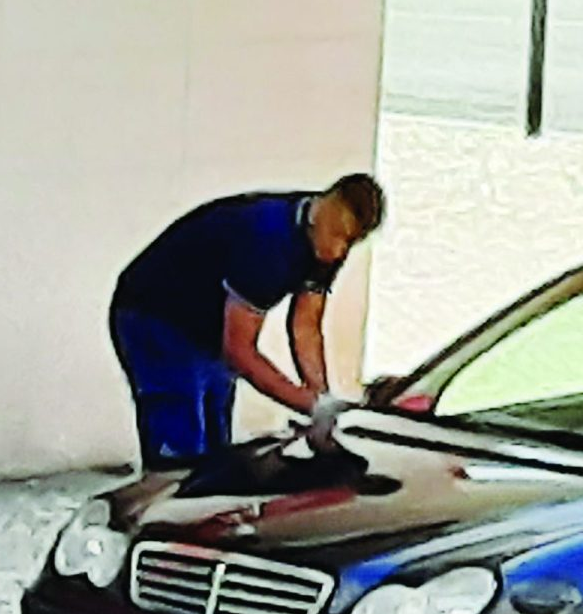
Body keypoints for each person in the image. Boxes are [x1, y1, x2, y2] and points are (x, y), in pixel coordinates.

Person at [109, 174, 387, 470]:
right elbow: (239, 351)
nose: (339, 252)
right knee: (183, 448)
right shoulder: (266, 241)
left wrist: (322, 398)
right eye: (338, 235)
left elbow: (305, 326)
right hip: (155, 315)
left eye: (351, 242)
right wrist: (308, 405)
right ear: (323, 209)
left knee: (218, 446)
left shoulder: (326, 239)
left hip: (208, 324)